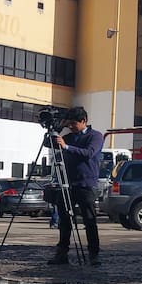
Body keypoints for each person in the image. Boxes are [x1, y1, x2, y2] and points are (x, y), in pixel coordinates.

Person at [49, 106, 104, 266]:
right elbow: (49, 144)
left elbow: (89, 153)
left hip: (86, 184)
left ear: (84, 121)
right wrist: (57, 128)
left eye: (74, 124)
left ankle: (94, 255)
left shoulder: (96, 136)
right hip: (67, 183)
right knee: (64, 220)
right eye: (69, 124)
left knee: (89, 220)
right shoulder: (69, 136)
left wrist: (66, 146)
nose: (71, 127)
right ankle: (62, 254)